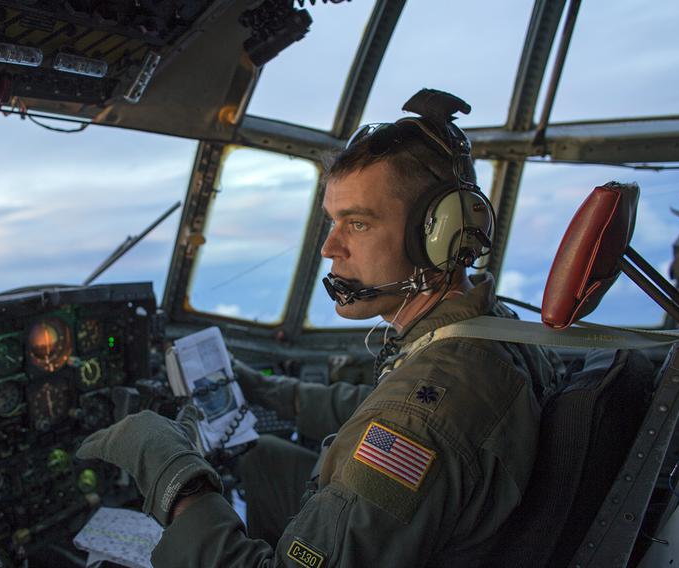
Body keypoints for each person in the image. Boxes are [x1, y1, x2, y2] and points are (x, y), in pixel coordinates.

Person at [76, 89, 564, 567]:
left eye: (357, 223)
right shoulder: (485, 328)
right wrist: (265, 389)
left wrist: (174, 475)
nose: (329, 247)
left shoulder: (420, 418)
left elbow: (406, 419)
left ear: (440, 237)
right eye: (331, 221)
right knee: (261, 456)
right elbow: (375, 407)